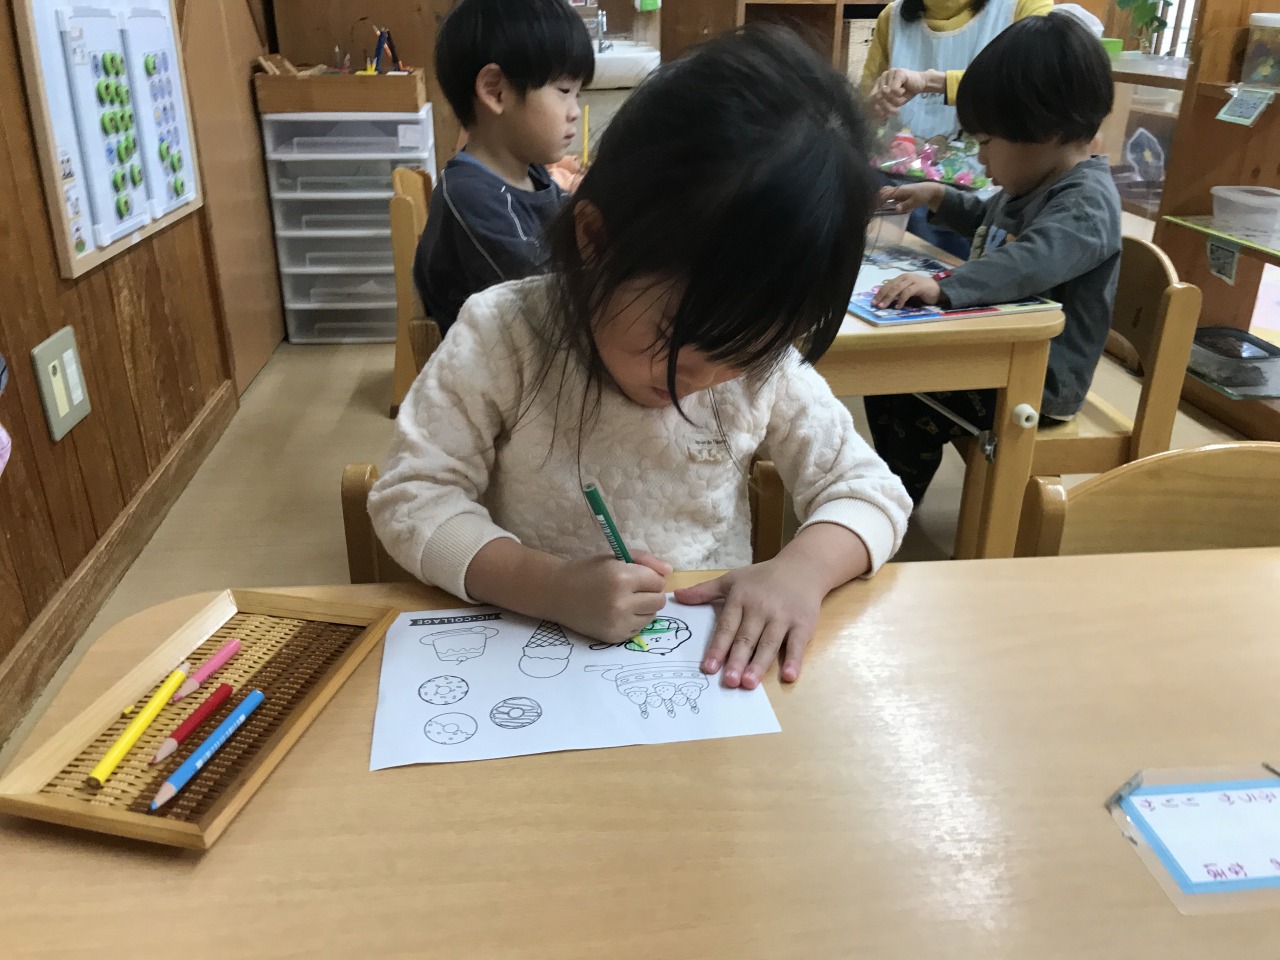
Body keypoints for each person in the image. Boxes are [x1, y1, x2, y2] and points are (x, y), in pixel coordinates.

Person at [371, 27, 912, 691]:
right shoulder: (505, 334)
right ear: (595, 241)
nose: (701, 381)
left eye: (743, 352)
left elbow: (871, 491)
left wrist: (804, 568)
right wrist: (543, 585)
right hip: (530, 658)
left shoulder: (759, 366)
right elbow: (411, 497)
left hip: (697, 672)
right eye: (671, 340)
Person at [863, 12, 1121, 507]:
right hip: (999, 355)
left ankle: (892, 505)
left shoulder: (1086, 204)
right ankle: (889, 492)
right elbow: (990, 222)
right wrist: (939, 196)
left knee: (906, 390)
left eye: (985, 143)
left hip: (1039, 381)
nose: (980, 159)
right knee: (894, 376)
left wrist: (945, 287)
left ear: (1046, 131)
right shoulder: (1035, 180)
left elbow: (1030, 259)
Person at [412, 0, 594, 334]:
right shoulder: (471, 196)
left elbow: (570, 229)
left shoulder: (531, 173)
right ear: (496, 92)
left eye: (577, 95)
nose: (574, 112)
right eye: (565, 91)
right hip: (500, 358)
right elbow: (541, 305)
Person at [862, 0, 1052, 259]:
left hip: (983, 194)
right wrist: (873, 106)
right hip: (896, 189)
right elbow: (860, 117)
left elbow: (1032, 85)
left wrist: (931, 81)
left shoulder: (1023, 7)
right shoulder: (892, 16)